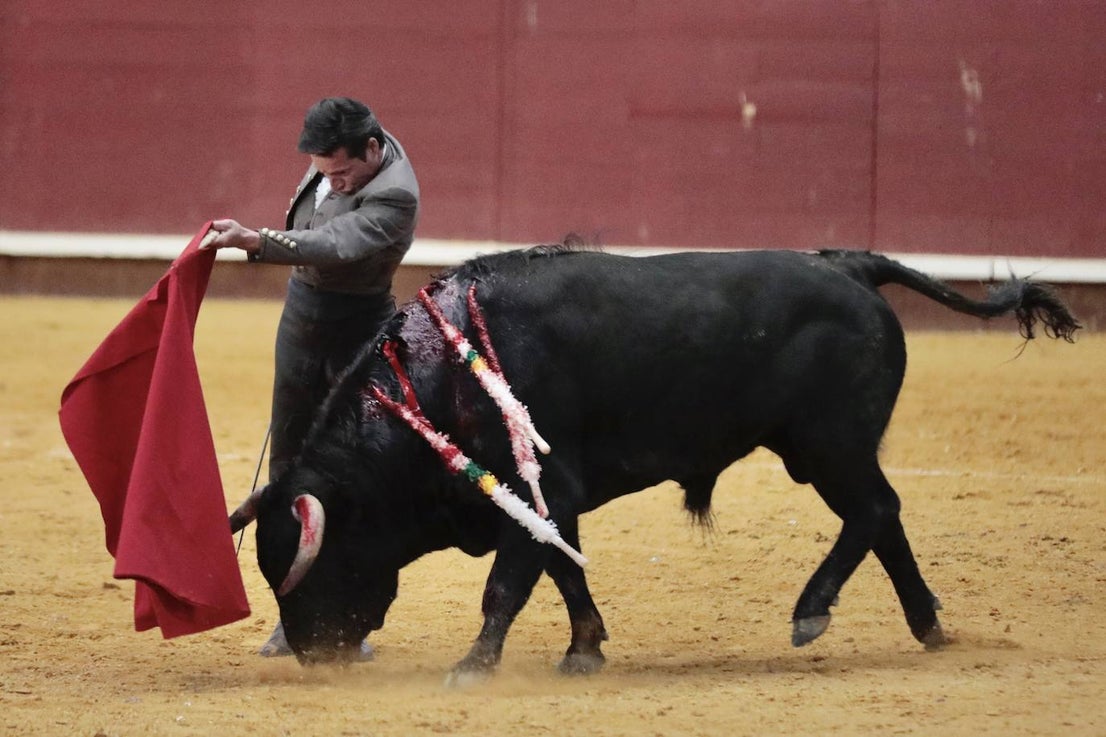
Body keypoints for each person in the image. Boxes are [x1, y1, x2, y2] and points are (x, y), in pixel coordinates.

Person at [204, 96, 420, 657]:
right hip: (302, 317)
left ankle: (351, 623)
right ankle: (292, 615)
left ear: (372, 150)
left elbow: (335, 244)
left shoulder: (395, 191)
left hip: (360, 327)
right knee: (288, 464)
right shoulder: (336, 152)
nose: (335, 181)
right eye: (326, 172)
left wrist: (256, 241)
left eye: (344, 171)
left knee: (355, 472)